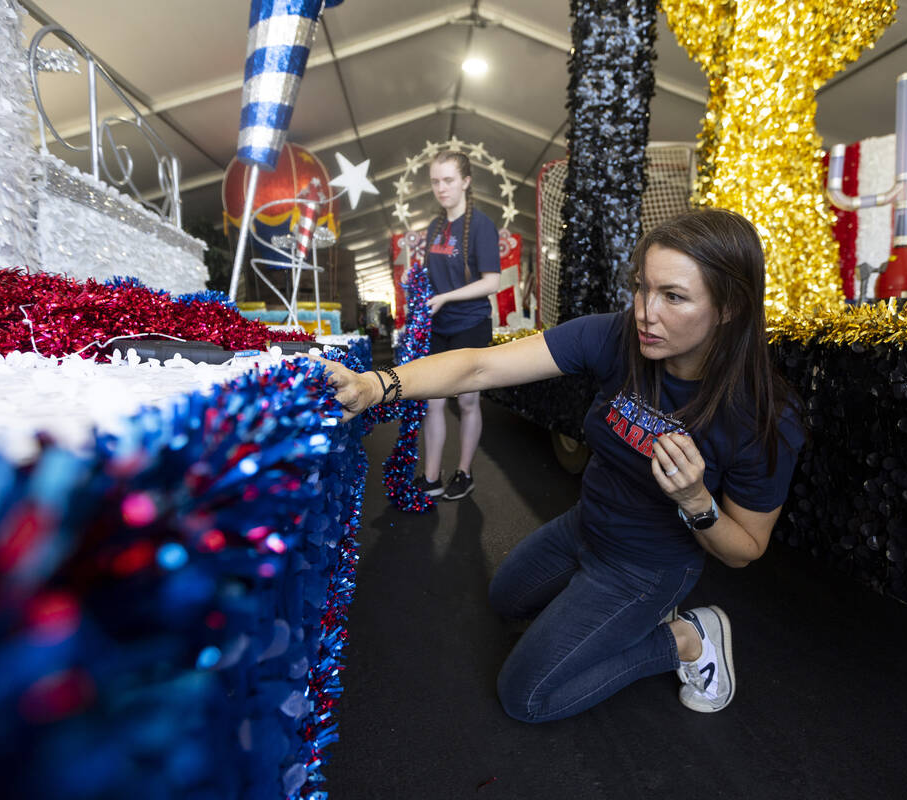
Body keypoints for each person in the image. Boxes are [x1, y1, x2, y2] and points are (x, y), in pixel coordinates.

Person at [320, 209, 804, 721]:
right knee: (506, 599)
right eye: (642, 288)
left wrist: (695, 501)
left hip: (646, 568)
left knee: (526, 697)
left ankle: (685, 638)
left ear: (729, 306)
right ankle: (610, 616)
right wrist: (377, 385)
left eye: (674, 297)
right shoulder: (620, 336)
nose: (646, 312)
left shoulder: (764, 415)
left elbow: (744, 551)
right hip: (585, 529)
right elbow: (482, 364)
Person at [414, 150, 502, 501]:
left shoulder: (481, 225)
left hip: (471, 324)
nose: (441, 187)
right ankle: (431, 477)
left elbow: (491, 282)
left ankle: (464, 473)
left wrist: (447, 298)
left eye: (448, 180)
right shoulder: (435, 226)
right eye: (435, 181)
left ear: (465, 182)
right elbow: (430, 278)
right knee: (433, 403)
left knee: (467, 401)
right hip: (438, 325)